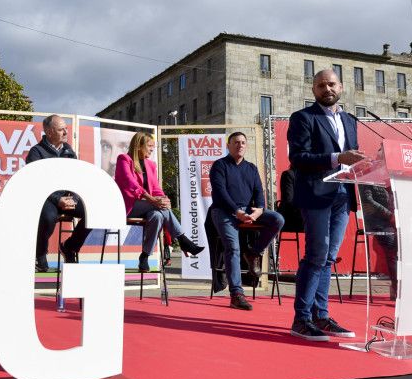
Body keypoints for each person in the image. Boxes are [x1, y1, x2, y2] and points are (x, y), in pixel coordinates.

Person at [285, 69, 363, 341]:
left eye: (331, 84)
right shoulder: (303, 118)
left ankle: (321, 315)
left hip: (343, 195)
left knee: (329, 258)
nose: (326, 89)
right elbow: (298, 157)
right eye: (321, 85)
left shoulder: (350, 120)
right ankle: (301, 319)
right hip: (316, 194)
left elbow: (354, 157)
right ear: (314, 90)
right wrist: (338, 157)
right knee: (316, 255)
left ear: (340, 87)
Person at [209, 131, 284, 310]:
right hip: (224, 211)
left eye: (243, 142)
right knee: (232, 248)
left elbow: (259, 191)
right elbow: (220, 193)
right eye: (236, 142)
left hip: (248, 210)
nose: (240, 145)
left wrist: (258, 210)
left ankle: (254, 252)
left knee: (277, 219)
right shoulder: (219, 166)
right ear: (228, 145)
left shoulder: (251, 168)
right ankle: (236, 294)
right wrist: (236, 211)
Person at [113, 132, 204, 272]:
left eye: (153, 147)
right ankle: (182, 239)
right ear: (139, 146)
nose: (151, 149)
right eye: (149, 146)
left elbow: (155, 188)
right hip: (128, 205)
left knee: (158, 216)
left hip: (149, 206)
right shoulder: (124, 159)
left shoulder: (151, 165)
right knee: (159, 208)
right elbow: (129, 183)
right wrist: (152, 199)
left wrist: (164, 199)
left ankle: (144, 256)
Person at [26, 115, 90, 272]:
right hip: (47, 198)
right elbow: (36, 183)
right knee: (48, 217)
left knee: (93, 212)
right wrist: (57, 199)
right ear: (48, 131)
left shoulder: (69, 150)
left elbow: (77, 178)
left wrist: (72, 197)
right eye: (61, 129)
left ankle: (70, 247)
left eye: (66, 128)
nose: (66, 132)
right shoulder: (36, 152)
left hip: (67, 198)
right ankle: (40, 253)